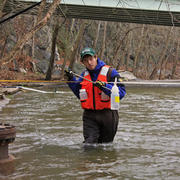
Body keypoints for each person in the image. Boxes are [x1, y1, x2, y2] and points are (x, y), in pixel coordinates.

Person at [64, 47, 126, 144]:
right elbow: (79, 93)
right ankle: (88, 159)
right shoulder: (83, 75)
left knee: (105, 146)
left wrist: (105, 86)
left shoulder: (111, 72)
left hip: (108, 115)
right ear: (82, 63)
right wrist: (71, 79)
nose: (89, 62)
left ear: (96, 57)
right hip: (89, 116)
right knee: (89, 145)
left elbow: (121, 93)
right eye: (85, 60)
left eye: (91, 59)